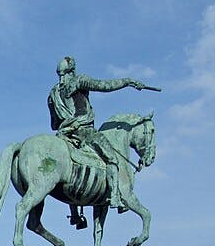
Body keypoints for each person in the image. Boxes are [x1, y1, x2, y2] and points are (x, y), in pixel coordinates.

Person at [48, 56, 154, 218]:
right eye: (61, 75)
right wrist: (128, 81)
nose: (63, 79)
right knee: (112, 158)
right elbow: (105, 86)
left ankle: (75, 214)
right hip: (84, 130)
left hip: (63, 133)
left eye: (64, 75)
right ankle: (116, 197)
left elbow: (54, 124)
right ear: (73, 71)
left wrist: (67, 120)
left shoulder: (53, 94)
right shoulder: (79, 81)